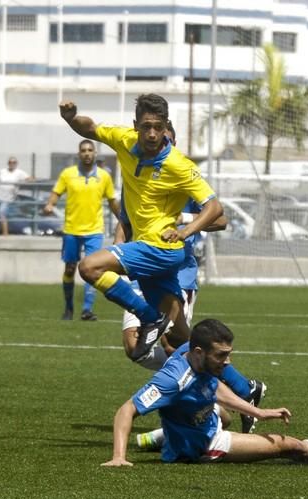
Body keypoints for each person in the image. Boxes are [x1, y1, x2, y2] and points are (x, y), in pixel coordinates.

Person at [119, 123, 265, 436]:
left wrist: (185, 222)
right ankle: (239, 387)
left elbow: (220, 218)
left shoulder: (183, 176)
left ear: (172, 140)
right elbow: (125, 221)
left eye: (167, 138)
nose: (158, 141)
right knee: (135, 348)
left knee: (178, 346)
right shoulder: (136, 172)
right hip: (141, 266)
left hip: (177, 274)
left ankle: (217, 390)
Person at [101, 318, 308, 467]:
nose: (228, 361)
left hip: (204, 418)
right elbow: (126, 410)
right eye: (221, 355)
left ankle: (160, 436)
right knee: (289, 446)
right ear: (198, 352)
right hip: (206, 444)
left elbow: (212, 386)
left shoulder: (191, 354)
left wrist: (257, 411)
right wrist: (118, 457)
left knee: (226, 415)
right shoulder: (172, 380)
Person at [59, 93, 223, 360]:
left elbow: (215, 208)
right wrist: (71, 119)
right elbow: (89, 128)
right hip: (150, 251)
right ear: (136, 125)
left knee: (89, 267)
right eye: (146, 126)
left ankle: (149, 318)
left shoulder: (179, 165)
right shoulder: (124, 140)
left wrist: (184, 230)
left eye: (158, 127)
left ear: (165, 125)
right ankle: (241, 386)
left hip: (160, 249)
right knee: (180, 340)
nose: (152, 133)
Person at [43, 139, 120, 321]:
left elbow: (111, 201)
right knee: (70, 269)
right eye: (83, 150)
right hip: (71, 229)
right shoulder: (68, 174)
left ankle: (87, 309)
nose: (86, 153)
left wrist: (123, 219)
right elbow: (56, 193)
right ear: (79, 154)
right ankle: (69, 307)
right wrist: (50, 204)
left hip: (94, 230)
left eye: (90, 150)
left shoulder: (104, 176)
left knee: (93, 269)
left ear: (95, 153)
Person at [0, 156, 33, 236]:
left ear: (16, 164)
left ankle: (5, 234)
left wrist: (21, 184)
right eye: (10, 162)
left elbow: (30, 179)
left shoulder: (19, 172)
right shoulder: (2, 171)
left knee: (2, 213)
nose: (12, 164)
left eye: (14, 162)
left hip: (8, 198)